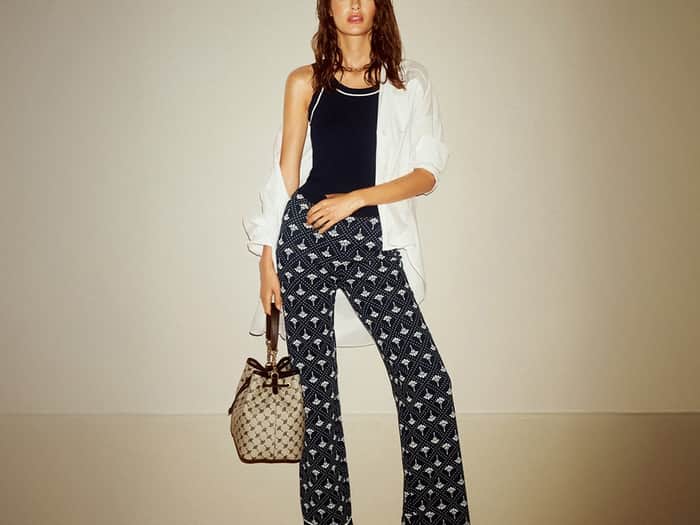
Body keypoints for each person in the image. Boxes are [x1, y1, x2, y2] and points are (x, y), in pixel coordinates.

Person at [243, 1, 472, 523]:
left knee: (427, 382)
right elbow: (285, 175)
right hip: (305, 237)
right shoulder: (305, 82)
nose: (352, 4)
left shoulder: (408, 82)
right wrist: (266, 259)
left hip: (372, 236)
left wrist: (357, 199)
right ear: (326, 9)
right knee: (316, 398)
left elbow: (427, 173)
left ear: (378, 6)